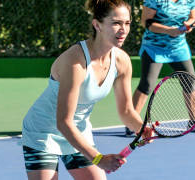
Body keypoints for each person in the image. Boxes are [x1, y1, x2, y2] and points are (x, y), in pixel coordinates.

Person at [21, 0, 153, 179]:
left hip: (78, 132)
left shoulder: (121, 61)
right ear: (97, 25)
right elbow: (64, 122)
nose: (123, 30)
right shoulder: (75, 62)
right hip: (43, 133)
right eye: (116, 23)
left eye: (127, 23)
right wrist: (98, 159)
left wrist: (141, 128)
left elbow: (126, 111)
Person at [125, 0, 195, 135]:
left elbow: (193, 18)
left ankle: (193, 122)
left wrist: (188, 25)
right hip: (154, 47)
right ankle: (132, 122)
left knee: (189, 81)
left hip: (178, 47)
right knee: (147, 84)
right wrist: (169, 30)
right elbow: (146, 22)